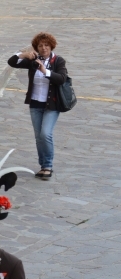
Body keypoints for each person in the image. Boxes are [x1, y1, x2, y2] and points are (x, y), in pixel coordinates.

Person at [7, 33, 68, 180]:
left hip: (52, 105)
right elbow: (11, 62)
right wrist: (23, 54)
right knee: (38, 137)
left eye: (46, 45)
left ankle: (48, 166)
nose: (43, 48)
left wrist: (45, 71)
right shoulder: (32, 60)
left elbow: (61, 79)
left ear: (51, 46)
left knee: (45, 134)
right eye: (40, 45)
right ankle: (43, 166)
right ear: (36, 47)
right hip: (35, 103)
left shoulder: (58, 61)